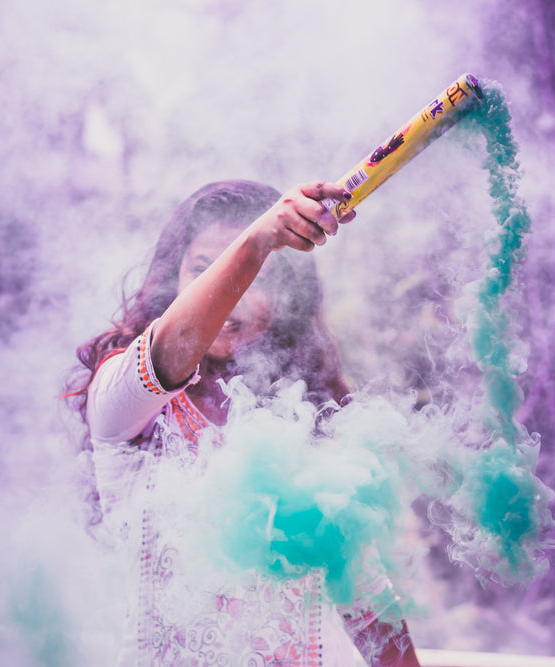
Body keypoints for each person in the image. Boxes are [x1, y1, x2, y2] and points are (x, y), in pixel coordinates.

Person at [66, 179, 421, 666]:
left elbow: (367, 602)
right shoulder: (125, 397)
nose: (234, 297)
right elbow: (169, 354)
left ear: (288, 296)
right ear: (174, 277)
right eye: (202, 269)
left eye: (261, 276)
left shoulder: (309, 415)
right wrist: (258, 241)